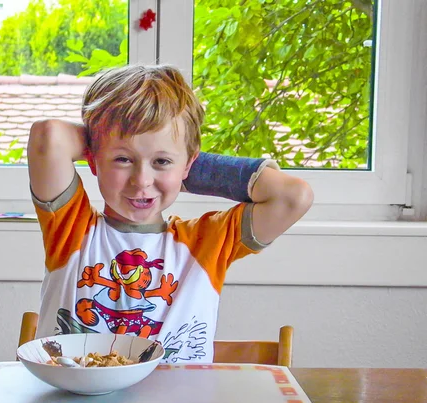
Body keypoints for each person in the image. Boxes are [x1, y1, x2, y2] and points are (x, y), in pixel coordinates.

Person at [27, 64, 313, 363]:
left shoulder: (206, 242)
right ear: (93, 160)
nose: (142, 180)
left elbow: (294, 196)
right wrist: (123, 147)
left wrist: (181, 168)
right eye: (122, 159)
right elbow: (49, 137)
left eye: (161, 162)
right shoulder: (72, 229)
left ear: (188, 164)